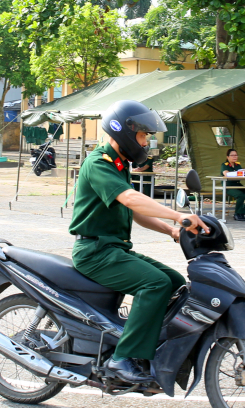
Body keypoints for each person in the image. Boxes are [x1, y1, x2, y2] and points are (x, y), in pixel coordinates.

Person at [70, 100, 204, 384]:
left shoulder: (119, 166)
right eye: (143, 135)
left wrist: (171, 230)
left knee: (174, 280)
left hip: (112, 249)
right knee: (154, 284)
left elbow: (136, 212)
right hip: (94, 251)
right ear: (126, 132)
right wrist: (178, 216)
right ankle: (122, 358)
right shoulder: (98, 163)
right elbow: (131, 198)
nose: (146, 141)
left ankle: (146, 346)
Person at [221, 149, 245, 221]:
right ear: (228, 157)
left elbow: (241, 174)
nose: (235, 157)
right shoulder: (225, 165)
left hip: (238, 185)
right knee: (241, 195)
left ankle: (243, 213)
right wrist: (239, 172)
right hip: (229, 185)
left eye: (236, 155)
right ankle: (237, 214)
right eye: (232, 155)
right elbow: (226, 173)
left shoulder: (238, 165)